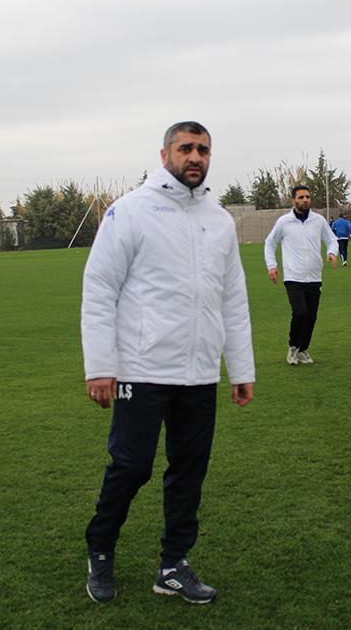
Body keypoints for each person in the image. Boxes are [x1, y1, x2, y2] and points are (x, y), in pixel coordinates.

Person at [81, 122, 255, 606]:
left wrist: (241, 369)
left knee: (189, 470)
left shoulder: (219, 220)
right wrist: (100, 365)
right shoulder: (131, 211)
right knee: (131, 466)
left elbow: (233, 300)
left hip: (199, 372)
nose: (195, 157)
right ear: (165, 155)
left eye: (203, 149)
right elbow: (99, 288)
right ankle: (100, 548)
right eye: (186, 148)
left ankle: (173, 564)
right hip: (141, 368)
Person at [264, 186, 338, 365]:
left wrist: (332, 252)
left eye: (307, 197)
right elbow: (270, 243)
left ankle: (303, 349)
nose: (305, 200)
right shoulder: (284, 222)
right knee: (300, 313)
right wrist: (272, 266)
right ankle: (293, 347)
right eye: (301, 197)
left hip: (314, 276)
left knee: (311, 317)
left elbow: (331, 240)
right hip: (293, 276)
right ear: (293, 201)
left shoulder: (318, 220)